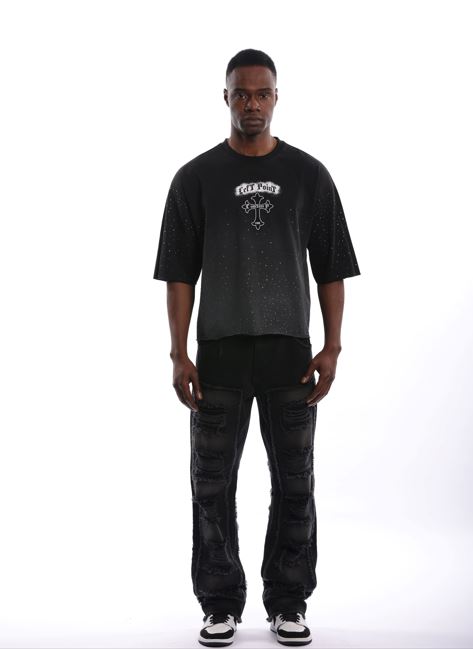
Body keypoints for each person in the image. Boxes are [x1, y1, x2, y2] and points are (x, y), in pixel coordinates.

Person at [153, 48, 361, 647]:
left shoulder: (309, 175)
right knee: (211, 484)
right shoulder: (194, 178)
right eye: (241, 93)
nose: (251, 103)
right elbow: (178, 274)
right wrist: (178, 353)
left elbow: (331, 267)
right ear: (225, 98)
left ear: (276, 97)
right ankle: (219, 604)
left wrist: (333, 347)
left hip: (289, 354)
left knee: (295, 482)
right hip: (218, 354)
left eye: (261, 93)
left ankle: (288, 602)